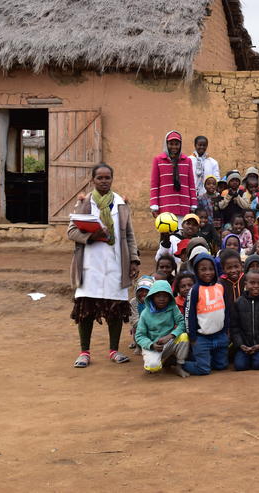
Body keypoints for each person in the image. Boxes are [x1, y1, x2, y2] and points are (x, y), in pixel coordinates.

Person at [69, 163, 140, 368]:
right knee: (86, 307)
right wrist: (92, 236)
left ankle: (114, 350)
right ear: (93, 180)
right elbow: (71, 232)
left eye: (107, 177)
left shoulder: (120, 203)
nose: (103, 181)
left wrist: (134, 260)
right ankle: (84, 352)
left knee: (115, 307)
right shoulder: (83, 203)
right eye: (99, 178)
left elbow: (128, 235)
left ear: (112, 179)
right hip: (90, 263)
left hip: (116, 263)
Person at [183, 253, 231, 375]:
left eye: (211, 269)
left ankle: (205, 359)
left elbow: (226, 309)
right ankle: (180, 364)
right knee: (204, 370)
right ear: (196, 271)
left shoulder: (220, 286)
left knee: (221, 366)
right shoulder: (194, 290)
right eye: (203, 269)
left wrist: (226, 330)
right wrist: (192, 337)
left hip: (220, 335)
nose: (208, 272)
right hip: (202, 337)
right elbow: (189, 315)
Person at [135, 280, 190, 377]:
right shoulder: (145, 314)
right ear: (152, 297)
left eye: (165, 296)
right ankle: (162, 360)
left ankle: (179, 365)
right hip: (153, 345)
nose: (162, 299)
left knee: (184, 336)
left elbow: (182, 323)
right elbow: (139, 335)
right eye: (158, 296)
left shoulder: (173, 308)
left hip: (168, 342)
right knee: (153, 367)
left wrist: (170, 335)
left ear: (170, 297)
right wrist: (151, 345)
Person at [230, 271, 259, 371]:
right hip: (244, 345)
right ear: (246, 284)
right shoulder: (238, 302)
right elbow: (235, 327)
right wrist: (240, 345)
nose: (256, 286)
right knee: (240, 366)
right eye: (252, 283)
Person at [150, 130, 197, 221]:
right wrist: (154, 205)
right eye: (171, 144)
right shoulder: (158, 160)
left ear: (180, 145)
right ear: (166, 144)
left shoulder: (187, 161)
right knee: (167, 234)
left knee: (183, 233)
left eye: (176, 144)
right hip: (165, 207)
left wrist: (193, 204)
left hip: (184, 206)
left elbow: (191, 185)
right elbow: (154, 185)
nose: (174, 147)